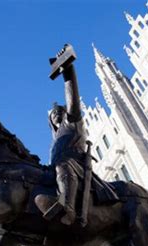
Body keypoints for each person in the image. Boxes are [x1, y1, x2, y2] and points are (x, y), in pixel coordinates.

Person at [35, 46, 86, 226]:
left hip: (76, 166)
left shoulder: (72, 121)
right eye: (53, 114)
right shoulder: (56, 140)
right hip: (59, 170)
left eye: (58, 111)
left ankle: (69, 209)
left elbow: (72, 98)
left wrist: (67, 70)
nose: (56, 114)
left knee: (62, 166)